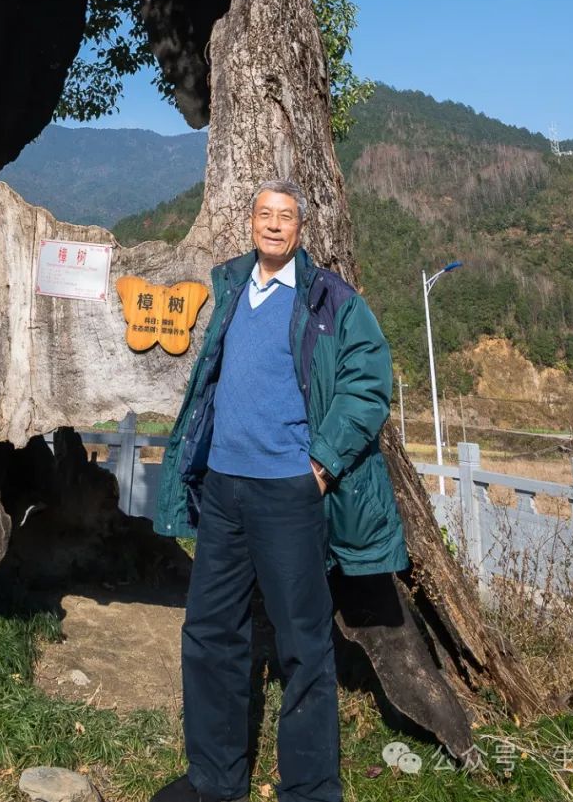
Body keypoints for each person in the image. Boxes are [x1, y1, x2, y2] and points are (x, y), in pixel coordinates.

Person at [151, 179, 408, 802]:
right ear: (250, 223)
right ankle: (214, 780)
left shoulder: (330, 298)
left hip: (290, 495)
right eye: (264, 214)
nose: (273, 225)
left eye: (285, 216)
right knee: (211, 634)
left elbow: (369, 381)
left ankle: (312, 790)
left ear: (300, 229)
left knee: (303, 646)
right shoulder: (232, 287)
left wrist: (320, 467)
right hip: (223, 490)